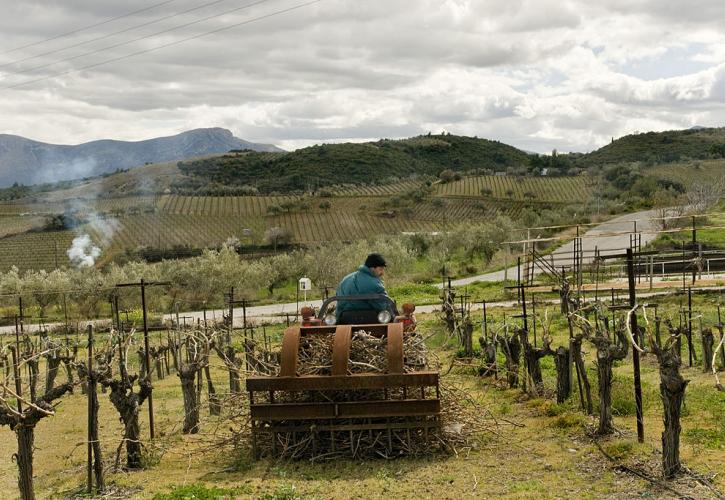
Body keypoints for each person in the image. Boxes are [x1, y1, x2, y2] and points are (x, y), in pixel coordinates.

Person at [335, 253, 393, 323]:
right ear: (372, 268)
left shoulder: (346, 279)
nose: (382, 272)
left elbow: (338, 300)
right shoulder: (374, 284)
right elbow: (382, 306)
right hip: (369, 319)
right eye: (380, 269)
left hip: (344, 319)